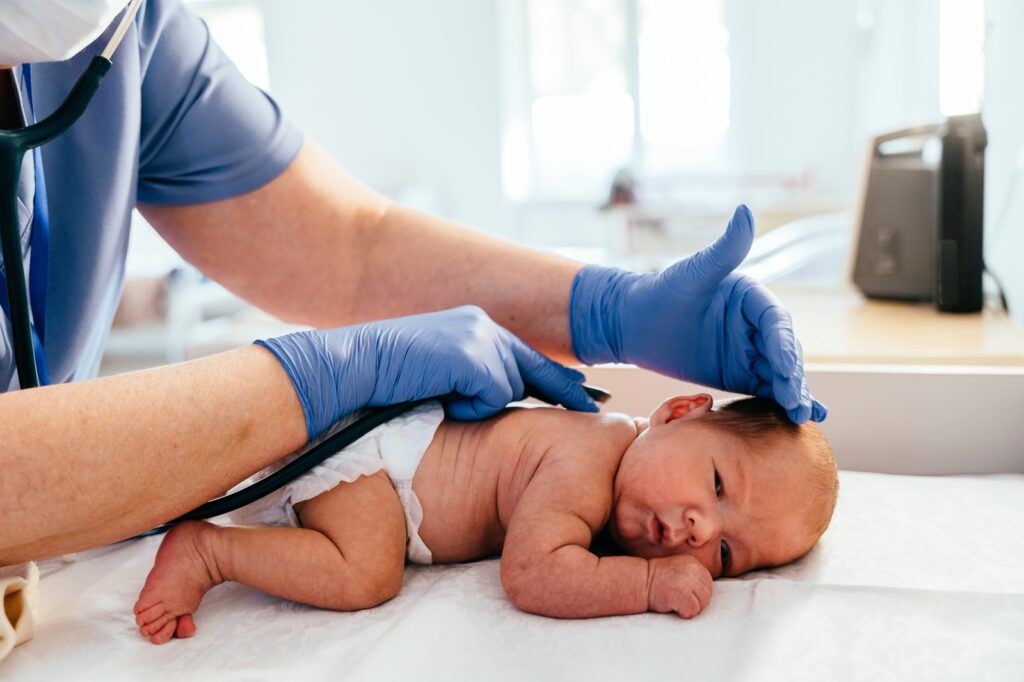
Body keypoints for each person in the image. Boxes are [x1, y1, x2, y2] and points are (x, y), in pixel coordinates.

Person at [0, 0, 825, 566]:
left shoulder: (116, 30)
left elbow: (354, 247)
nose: (694, 533)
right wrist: (317, 378)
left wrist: (610, 309)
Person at [132, 394, 838, 643]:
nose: (697, 532)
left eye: (727, 556)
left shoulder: (608, 491)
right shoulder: (589, 455)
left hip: (387, 472)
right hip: (376, 463)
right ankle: (210, 553)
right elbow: (532, 574)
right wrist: (648, 588)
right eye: (716, 484)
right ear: (679, 413)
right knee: (366, 573)